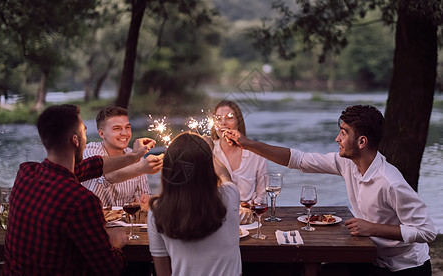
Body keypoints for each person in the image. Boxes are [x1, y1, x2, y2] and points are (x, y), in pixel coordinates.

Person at [224, 105, 437, 275]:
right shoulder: (347, 164)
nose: (337, 139)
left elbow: (427, 232)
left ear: (362, 142)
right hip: (370, 258)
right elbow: (299, 160)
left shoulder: (390, 182)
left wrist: (372, 228)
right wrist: (248, 144)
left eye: (343, 133)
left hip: (404, 268)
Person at [3, 104, 155, 276]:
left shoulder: (25, 172)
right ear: (75, 140)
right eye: (84, 131)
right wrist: (117, 242)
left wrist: (134, 156)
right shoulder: (82, 201)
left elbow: (94, 166)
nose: (85, 137)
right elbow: (111, 268)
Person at [147, 132, 242, 276]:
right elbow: (224, 175)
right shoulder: (230, 195)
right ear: (208, 168)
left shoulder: (156, 210)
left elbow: (163, 272)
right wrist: (209, 152)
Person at [82, 106, 163, 207]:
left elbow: (144, 194)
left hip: (125, 222)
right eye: (117, 128)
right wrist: (138, 161)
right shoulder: (90, 151)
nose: (125, 133)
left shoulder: (137, 157)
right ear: (102, 134)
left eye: (127, 127)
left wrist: (144, 199)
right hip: (94, 219)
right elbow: (107, 177)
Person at [210, 100, 268, 204]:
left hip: (250, 214)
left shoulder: (257, 154)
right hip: (216, 215)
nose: (223, 123)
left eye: (229, 117)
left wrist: (251, 206)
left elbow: (263, 194)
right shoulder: (208, 150)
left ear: (239, 121)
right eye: (218, 118)